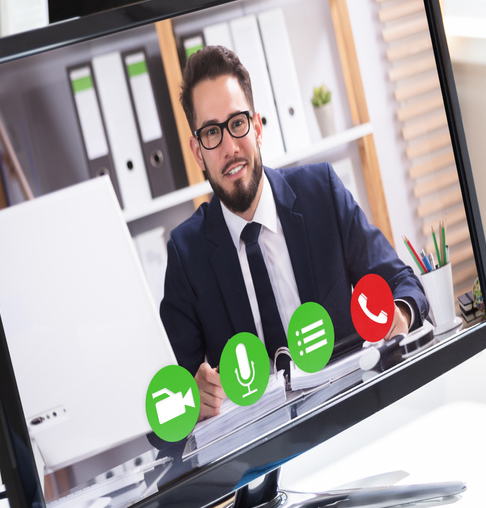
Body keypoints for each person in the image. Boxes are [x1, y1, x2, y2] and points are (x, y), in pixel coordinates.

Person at [159, 44, 426, 419]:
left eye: (237, 124)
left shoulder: (322, 192)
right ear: (197, 152)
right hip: (261, 456)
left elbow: (403, 282)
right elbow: (174, 400)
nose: (230, 147)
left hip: (351, 415)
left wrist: (399, 313)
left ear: (257, 127)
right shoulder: (186, 255)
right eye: (211, 133)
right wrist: (195, 398)